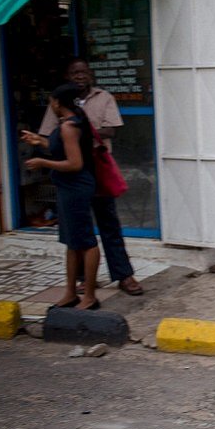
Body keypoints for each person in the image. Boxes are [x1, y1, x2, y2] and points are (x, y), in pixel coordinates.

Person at [39, 59, 143, 296]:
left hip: (97, 167)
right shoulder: (59, 101)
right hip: (71, 172)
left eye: (83, 72)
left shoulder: (103, 97)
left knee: (109, 223)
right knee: (77, 228)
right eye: (74, 72)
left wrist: (79, 131)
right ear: (68, 76)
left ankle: (124, 275)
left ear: (90, 75)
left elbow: (111, 129)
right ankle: (85, 279)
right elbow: (48, 134)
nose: (79, 76)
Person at [21, 84, 101, 310]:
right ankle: (70, 293)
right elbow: (63, 149)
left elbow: (75, 163)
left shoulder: (69, 126)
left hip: (76, 188)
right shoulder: (69, 123)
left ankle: (89, 296)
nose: (51, 106)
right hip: (67, 188)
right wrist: (40, 141)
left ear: (57, 103)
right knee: (71, 241)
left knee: (86, 242)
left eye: (51, 102)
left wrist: (43, 162)